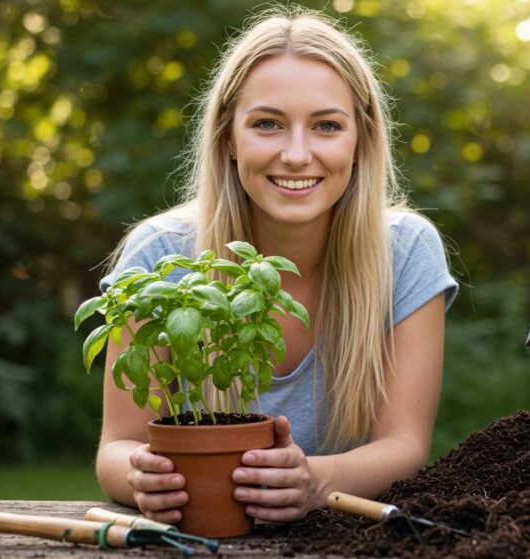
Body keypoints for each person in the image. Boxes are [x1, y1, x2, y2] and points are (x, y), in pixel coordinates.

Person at [94, 7, 457, 524]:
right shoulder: (159, 257)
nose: (296, 153)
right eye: (267, 124)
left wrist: (314, 482)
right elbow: (118, 446)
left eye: (327, 126)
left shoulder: (405, 250)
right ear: (228, 138)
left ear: (360, 142)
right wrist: (139, 476)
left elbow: (403, 444)